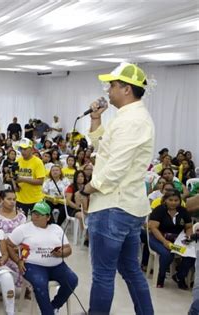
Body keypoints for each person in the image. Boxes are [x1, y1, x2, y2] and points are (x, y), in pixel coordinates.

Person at [76, 63, 154, 314]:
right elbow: (104, 148)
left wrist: (87, 189)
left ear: (126, 89)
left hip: (113, 206)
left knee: (103, 274)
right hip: (127, 206)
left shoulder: (132, 121)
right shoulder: (128, 118)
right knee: (130, 269)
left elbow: (115, 169)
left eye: (112, 85)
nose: (108, 90)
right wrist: (97, 119)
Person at [7, 201, 78, 315]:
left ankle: (54, 306)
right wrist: (18, 260)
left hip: (57, 265)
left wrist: (61, 253)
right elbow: (8, 245)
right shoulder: (23, 229)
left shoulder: (56, 229)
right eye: (35, 213)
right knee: (40, 283)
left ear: (48, 217)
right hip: (33, 266)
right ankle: (48, 313)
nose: (36, 216)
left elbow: (68, 249)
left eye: (40, 214)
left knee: (72, 280)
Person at [148, 190, 194, 289]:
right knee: (167, 254)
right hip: (157, 238)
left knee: (190, 254)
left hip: (176, 240)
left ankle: (179, 276)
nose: (173, 202)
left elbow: (189, 227)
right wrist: (164, 242)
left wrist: (189, 236)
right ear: (165, 200)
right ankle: (161, 277)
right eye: (170, 200)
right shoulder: (159, 210)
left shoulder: (183, 211)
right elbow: (153, 228)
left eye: (176, 200)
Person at [0, 189, 26, 288]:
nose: (12, 202)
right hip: (0, 251)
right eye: (9, 199)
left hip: (17, 250)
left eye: (14, 199)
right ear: (1, 200)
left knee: (28, 264)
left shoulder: (21, 217)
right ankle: (4, 288)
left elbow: (25, 236)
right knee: (8, 265)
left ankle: (26, 288)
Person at [13, 138, 46, 216]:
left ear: (31, 149)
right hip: (20, 198)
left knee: (37, 222)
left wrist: (23, 179)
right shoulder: (18, 160)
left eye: (25, 149)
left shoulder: (38, 162)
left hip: (35, 199)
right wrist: (15, 185)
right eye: (22, 149)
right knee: (20, 223)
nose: (23, 151)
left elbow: (40, 181)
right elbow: (14, 176)